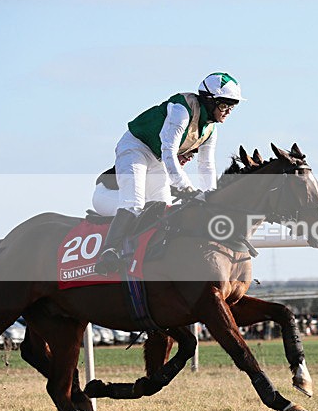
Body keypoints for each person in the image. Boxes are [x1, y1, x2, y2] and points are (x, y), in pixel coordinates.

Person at [94, 72, 244, 274]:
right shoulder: (181, 110)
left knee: (164, 208)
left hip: (155, 158)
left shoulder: (210, 130)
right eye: (224, 105)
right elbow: (168, 152)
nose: (228, 112)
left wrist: (212, 197)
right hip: (135, 147)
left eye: (232, 107)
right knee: (134, 203)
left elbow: (207, 166)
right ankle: (109, 253)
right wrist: (187, 188)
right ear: (209, 101)